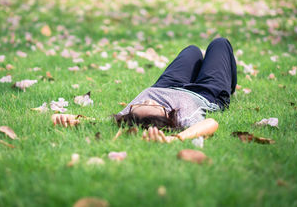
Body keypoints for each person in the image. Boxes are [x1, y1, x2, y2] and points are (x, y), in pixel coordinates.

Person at [53, 37, 237, 144]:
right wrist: (177, 139)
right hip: (205, 93)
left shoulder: (131, 115)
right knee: (219, 44)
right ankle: (229, 84)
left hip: (165, 84)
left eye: (140, 103)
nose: (148, 101)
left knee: (193, 50)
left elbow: (103, 121)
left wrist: (70, 119)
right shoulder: (183, 118)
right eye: (153, 105)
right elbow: (211, 123)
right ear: (168, 115)